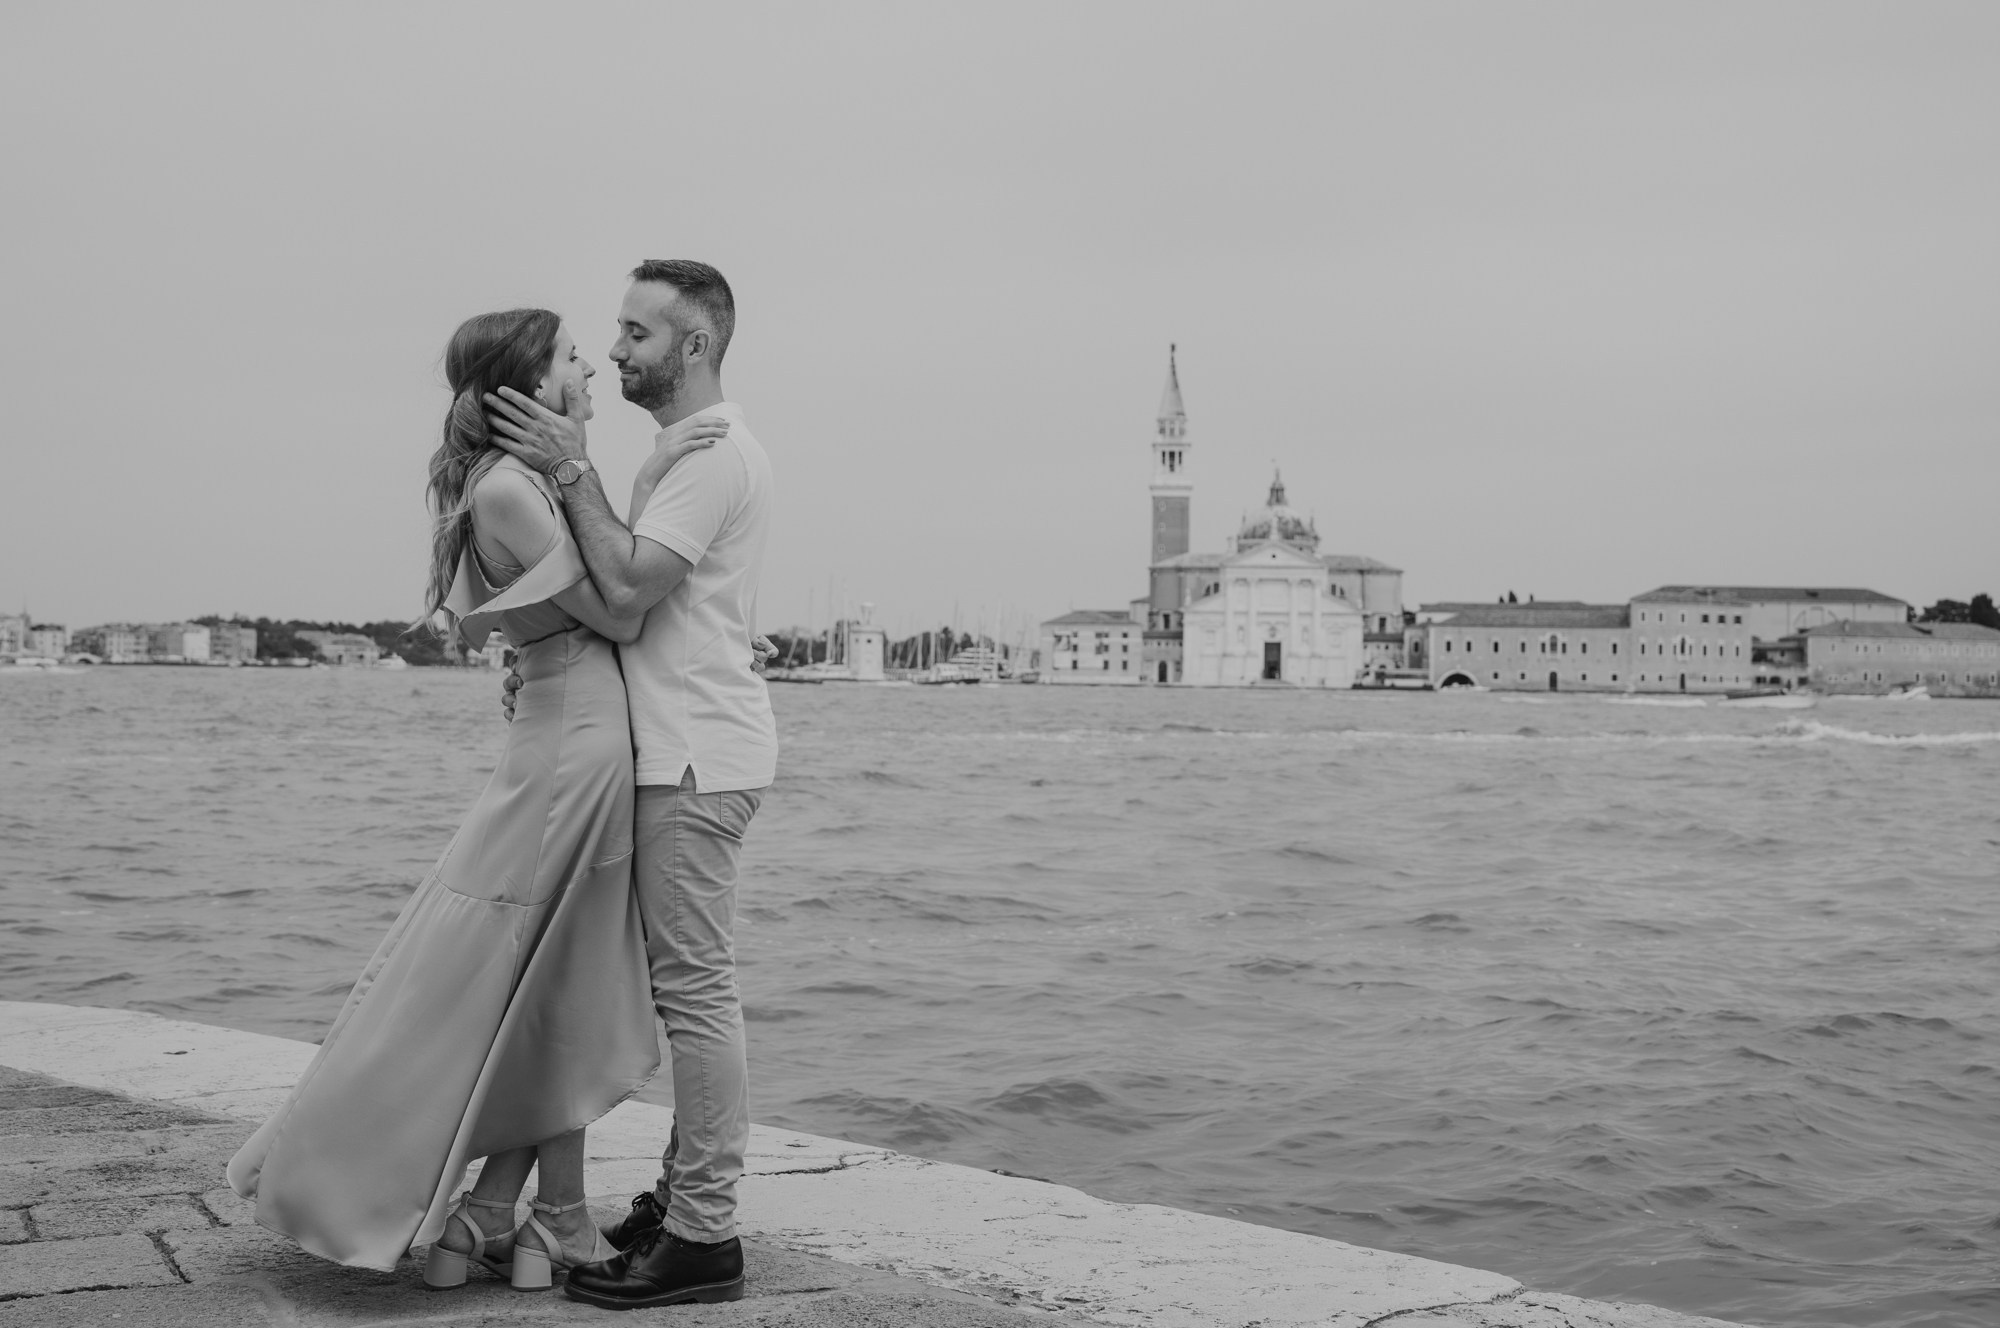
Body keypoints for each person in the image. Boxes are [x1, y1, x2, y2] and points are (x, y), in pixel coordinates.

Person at [225, 308, 728, 1290]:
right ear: (528, 388)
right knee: (542, 985)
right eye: (571, 353)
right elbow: (620, 603)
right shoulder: (511, 488)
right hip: (574, 747)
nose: (589, 362)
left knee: (551, 984)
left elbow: (589, 583)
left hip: (573, 735)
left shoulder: (520, 483)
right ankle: (545, 1219)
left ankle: (509, 1213)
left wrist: (636, 475)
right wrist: (628, 482)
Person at [484, 259, 776, 1310]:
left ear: (691, 345)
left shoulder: (711, 456)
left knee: (694, 992)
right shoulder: (674, 454)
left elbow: (632, 587)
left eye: (635, 332)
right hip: (673, 750)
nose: (613, 350)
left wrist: (570, 470)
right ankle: (677, 1195)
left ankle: (704, 1231)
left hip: (693, 755)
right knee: (673, 990)